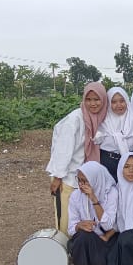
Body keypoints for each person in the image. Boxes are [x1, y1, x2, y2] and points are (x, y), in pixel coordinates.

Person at [46, 82, 108, 234]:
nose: (93, 103)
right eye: (89, 99)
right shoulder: (75, 120)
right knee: (66, 218)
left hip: (85, 178)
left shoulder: (100, 118)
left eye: (97, 99)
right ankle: (63, 248)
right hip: (67, 178)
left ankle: (78, 249)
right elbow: (63, 149)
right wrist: (58, 177)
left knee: (83, 215)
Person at [62, 162, 118, 265]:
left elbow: (109, 226)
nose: (81, 185)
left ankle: (96, 264)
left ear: (95, 180)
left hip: (107, 237)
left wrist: (94, 199)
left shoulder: (111, 193)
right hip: (87, 237)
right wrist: (79, 225)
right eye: (79, 180)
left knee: (114, 244)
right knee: (82, 236)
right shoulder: (75, 196)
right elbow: (71, 229)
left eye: (86, 181)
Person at [94, 87, 133, 181]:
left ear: (127, 101)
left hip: (128, 165)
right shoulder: (101, 122)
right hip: (106, 163)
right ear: (108, 104)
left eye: (122, 101)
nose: (119, 105)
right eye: (114, 102)